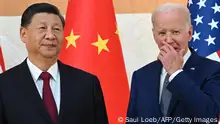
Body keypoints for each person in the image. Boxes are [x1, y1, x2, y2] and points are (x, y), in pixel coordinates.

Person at [0, 2, 108, 124]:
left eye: (56, 29)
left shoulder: (88, 84)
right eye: (42, 28)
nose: (51, 36)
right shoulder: (4, 86)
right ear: (23, 34)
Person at [127, 3, 220, 124]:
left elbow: (210, 117)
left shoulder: (213, 70)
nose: (169, 40)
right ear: (154, 35)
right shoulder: (141, 76)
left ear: (190, 33)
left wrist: (176, 74)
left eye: (175, 32)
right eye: (162, 33)